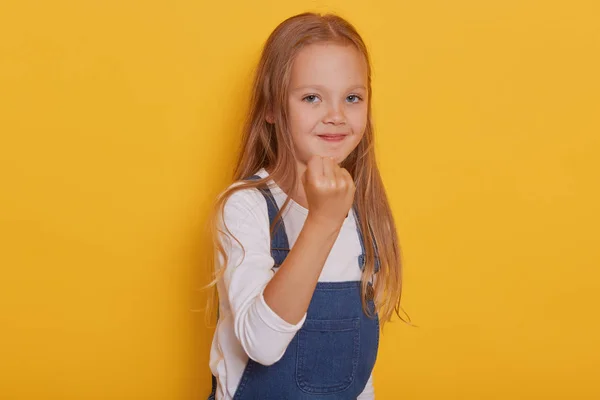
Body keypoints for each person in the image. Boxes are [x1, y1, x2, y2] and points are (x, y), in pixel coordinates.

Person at [207, 12, 406, 400]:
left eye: (352, 97)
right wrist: (323, 221)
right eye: (312, 97)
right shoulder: (244, 207)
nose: (335, 115)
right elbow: (262, 345)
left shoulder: (365, 212)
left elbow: (358, 372)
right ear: (270, 108)